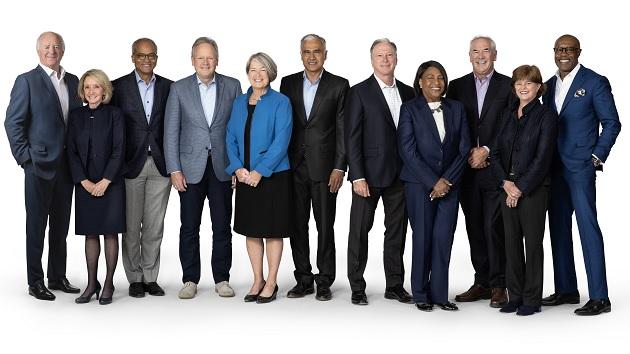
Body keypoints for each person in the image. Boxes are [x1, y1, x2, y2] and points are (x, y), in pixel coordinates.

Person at [541, 34, 621, 316]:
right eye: (559, 49)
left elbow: (612, 123)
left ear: (578, 52)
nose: (564, 54)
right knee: (558, 227)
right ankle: (566, 289)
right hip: (553, 168)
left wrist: (596, 157)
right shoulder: (547, 86)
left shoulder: (594, 82)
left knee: (588, 228)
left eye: (569, 49)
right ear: (554, 52)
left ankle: (600, 296)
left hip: (581, 167)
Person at [5, 31, 82, 300]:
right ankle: (35, 281)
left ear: (63, 50)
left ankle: (57, 276)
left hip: (66, 167)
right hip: (37, 165)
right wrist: (25, 158)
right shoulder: (26, 81)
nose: (52, 50)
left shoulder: (73, 81)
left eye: (57, 46)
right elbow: (12, 123)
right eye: (47, 46)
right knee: (36, 225)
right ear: (38, 51)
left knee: (61, 226)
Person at [164, 37, 242, 299]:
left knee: (221, 225)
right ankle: (190, 279)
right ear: (192, 60)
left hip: (223, 167)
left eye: (210, 58)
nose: (206, 62)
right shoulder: (179, 88)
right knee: (189, 226)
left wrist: (237, 166)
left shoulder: (232, 86)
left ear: (217, 60)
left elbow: (238, 130)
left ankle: (222, 278)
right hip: (189, 168)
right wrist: (174, 169)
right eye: (201, 58)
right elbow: (171, 132)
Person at [345, 38, 415, 306]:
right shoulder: (359, 92)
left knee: (396, 232)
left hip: (402, 175)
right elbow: (352, 136)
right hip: (369, 176)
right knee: (359, 231)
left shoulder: (409, 92)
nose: (385, 60)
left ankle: (395, 285)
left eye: (390, 55)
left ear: (396, 59)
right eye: (380, 56)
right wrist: (357, 176)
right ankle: (357, 286)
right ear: (371, 59)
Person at [280, 34, 349, 301]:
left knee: (325, 226)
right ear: (300, 54)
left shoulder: (339, 85)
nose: (312, 56)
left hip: (324, 168)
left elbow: (343, 130)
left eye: (317, 51)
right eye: (307, 51)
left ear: (325, 54)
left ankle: (324, 281)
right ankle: (303, 279)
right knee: (297, 225)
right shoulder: (287, 83)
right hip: (293, 166)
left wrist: (339, 167)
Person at [446, 36, 513, 307]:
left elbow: (510, 126)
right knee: (474, 226)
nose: (481, 55)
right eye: (475, 51)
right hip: (466, 171)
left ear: (495, 54)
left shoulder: (509, 85)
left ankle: (499, 284)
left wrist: (486, 149)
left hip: (495, 169)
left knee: (493, 226)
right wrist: (468, 155)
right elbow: (452, 127)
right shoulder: (456, 86)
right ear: (469, 55)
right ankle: (482, 282)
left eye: (486, 50)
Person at [398, 61, 470, 312]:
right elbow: (407, 151)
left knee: (443, 238)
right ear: (420, 81)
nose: (436, 82)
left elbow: (464, 148)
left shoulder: (456, 108)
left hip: (450, 184)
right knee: (423, 237)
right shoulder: (409, 109)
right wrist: (433, 181)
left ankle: (440, 294)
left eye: (440, 77)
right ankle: (420, 293)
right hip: (419, 184)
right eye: (429, 77)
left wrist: (447, 180)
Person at [225, 52, 293, 304]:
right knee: (251, 229)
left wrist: (260, 171)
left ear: (271, 73)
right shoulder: (239, 102)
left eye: (262, 70)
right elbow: (229, 137)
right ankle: (257, 279)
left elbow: (282, 140)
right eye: (253, 70)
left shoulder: (281, 102)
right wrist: (237, 168)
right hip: (244, 176)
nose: (257, 75)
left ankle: (272, 281)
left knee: (272, 230)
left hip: (273, 176)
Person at [491, 65, 557, 316]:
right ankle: (514, 295)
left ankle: (531, 299)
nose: (523, 87)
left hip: (533, 191)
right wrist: (506, 185)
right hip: (506, 189)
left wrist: (519, 188)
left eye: (529, 83)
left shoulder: (546, 116)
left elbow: (543, 159)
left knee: (533, 245)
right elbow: (495, 153)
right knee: (511, 245)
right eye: (519, 82)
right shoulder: (507, 115)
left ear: (539, 87)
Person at [112, 38, 173, 298]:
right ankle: (134, 277)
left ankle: (150, 276)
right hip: (130, 165)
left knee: (154, 226)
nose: (146, 60)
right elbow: (111, 129)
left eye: (151, 56)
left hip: (160, 165)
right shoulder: (117, 87)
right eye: (141, 55)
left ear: (156, 58)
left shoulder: (170, 87)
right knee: (130, 225)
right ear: (133, 57)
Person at [66, 69, 126, 305]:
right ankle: (92, 283)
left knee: (110, 232)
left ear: (105, 90)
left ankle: (109, 282)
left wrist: (105, 181)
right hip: (84, 184)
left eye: (97, 86)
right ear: (82, 91)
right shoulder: (75, 115)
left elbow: (119, 149)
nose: (92, 91)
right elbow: (70, 150)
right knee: (90, 233)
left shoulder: (116, 115)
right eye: (88, 87)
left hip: (110, 183)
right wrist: (84, 181)